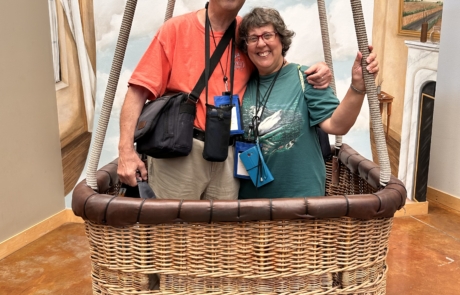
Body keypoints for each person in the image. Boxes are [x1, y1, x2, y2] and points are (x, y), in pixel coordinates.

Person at [117, 0, 332, 201]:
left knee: (222, 236)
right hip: (181, 152)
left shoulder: (248, 33)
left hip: (229, 155)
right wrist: (126, 151)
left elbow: (277, 63)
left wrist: (319, 69)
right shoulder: (175, 29)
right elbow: (138, 91)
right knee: (174, 232)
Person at [236, 7, 379, 199]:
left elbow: (337, 125)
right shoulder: (242, 84)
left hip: (301, 202)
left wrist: (357, 87)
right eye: (253, 38)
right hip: (251, 203)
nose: (261, 44)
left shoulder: (307, 78)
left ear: (281, 39)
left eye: (267, 35)